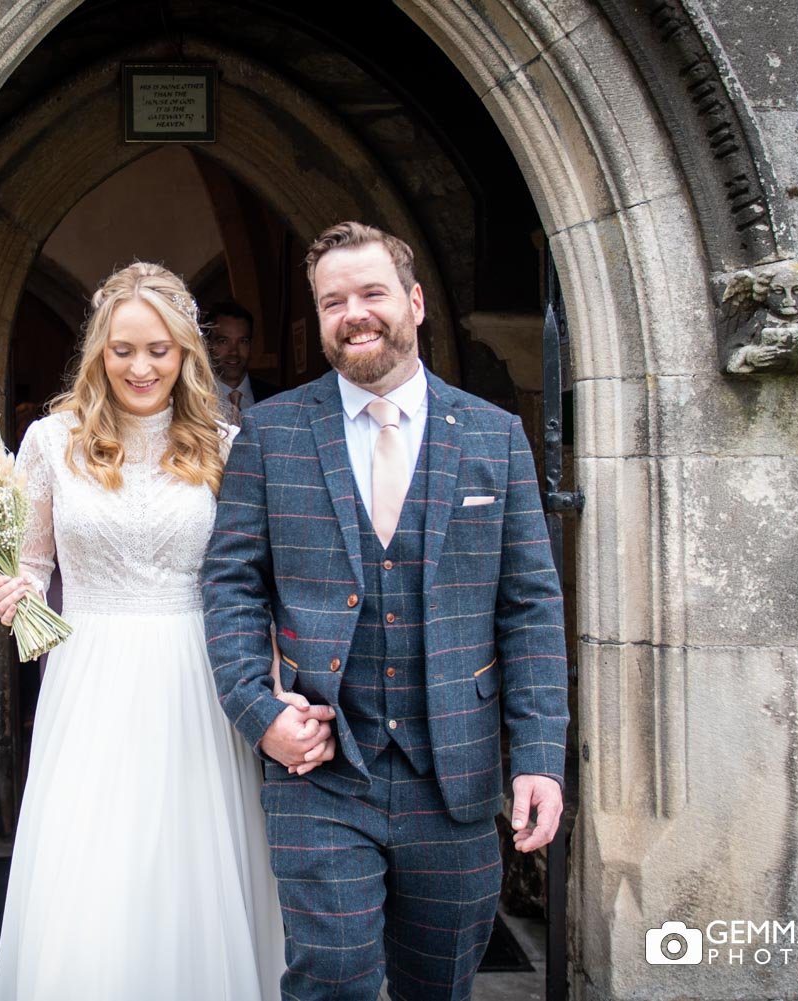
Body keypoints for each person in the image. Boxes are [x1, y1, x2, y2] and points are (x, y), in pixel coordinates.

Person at [203, 222, 570, 1000]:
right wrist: (258, 709)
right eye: (333, 300)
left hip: (458, 777)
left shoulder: (494, 437)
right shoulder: (271, 434)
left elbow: (530, 605)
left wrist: (538, 753)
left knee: (438, 986)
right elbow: (231, 585)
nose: (353, 313)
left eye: (370, 293)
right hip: (322, 771)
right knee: (331, 976)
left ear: (414, 301)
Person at [0, 262, 330, 1001]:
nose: (141, 367)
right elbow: (31, 565)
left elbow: (253, 589)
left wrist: (274, 694)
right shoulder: (49, 442)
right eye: (123, 350)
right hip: (89, 679)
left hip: (199, 682)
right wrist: (10, 592)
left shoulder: (229, 446)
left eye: (159, 350)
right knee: (94, 874)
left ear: (185, 353)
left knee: (192, 870)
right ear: (98, 353)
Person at [203, 300, 280, 424]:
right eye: (223, 341)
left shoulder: (277, 399)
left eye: (242, 341)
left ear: (251, 345)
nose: (234, 352)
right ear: (207, 344)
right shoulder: (192, 402)